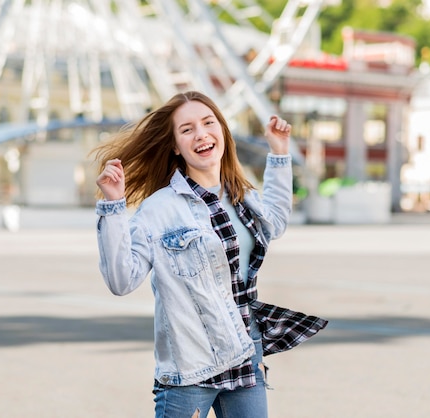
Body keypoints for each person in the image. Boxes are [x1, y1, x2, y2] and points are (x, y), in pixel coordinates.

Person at [93, 91, 327, 418]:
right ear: (175, 145)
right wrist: (113, 206)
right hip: (193, 365)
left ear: (222, 131)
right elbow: (121, 280)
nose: (201, 133)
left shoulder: (242, 195)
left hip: (246, 350)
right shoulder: (159, 209)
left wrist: (279, 152)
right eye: (187, 129)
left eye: (208, 123)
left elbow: (274, 221)